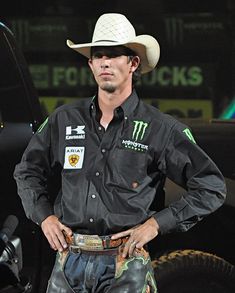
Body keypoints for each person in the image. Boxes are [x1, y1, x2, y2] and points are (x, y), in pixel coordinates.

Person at [14, 13, 226, 293]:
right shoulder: (63, 120)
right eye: (98, 55)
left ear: (133, 63)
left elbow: (211, 186)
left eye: (114, 55)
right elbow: (27, 171)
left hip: (126, 261)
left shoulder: (159, 129)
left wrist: (155, 224)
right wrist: (44, 216)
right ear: (90, 64)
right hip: (68, 259)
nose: (105, 62)